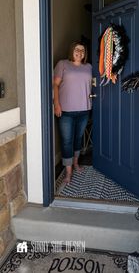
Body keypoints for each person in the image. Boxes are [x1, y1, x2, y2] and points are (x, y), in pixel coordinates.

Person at [53, 42, 92, 184]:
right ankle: (68, 172)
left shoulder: (89, 67)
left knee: (78, 139)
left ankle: (75, 163)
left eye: (82, 50)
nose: (79, 52)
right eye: (77, 49)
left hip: (84, 109)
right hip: (66, 111)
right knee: (67, 141)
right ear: (72, 50)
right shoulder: (62, 64)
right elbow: (55, 85)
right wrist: (56, 104)